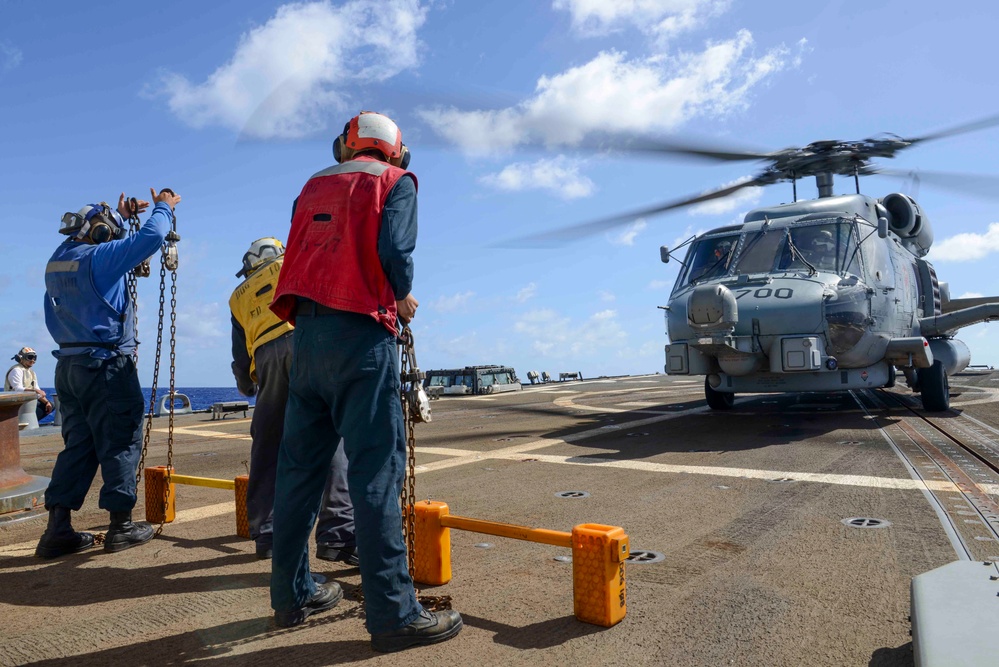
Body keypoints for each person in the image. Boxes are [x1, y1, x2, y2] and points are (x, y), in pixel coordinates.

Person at [268, 111, 462, 651]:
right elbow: (396, 250)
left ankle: (291, 594)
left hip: (304, 340)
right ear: (395, 149)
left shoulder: (310, 187)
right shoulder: (396, 182)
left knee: (298, 474)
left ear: (346, 145)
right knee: (375, 475)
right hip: (362, 338)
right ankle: (393, 613)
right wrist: (400, 296)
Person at [36, 189, 181, 559]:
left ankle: (57, 530)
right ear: (101, 234)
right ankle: (121, 526)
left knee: (79, 447)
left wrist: (117, 216)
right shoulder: (100, 259)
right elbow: (151, 237)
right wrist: (164, 205)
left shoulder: (58, 260)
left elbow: (102, 243)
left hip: (68, 368)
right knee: (120, 440)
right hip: (105, 367)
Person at [229, 237, 357, 563]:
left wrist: (246, 384)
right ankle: (337, 535)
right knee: (331, 440)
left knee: (267, 445)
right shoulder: (294, 260)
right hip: (306, 341)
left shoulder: (238, 296)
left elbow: (241, 354)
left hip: (266, 360)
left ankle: (267, 533)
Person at [5, 347, 52, 427]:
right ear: (21, 358)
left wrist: (47, 402)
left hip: (28, 403)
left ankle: (28, 424)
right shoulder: (16, 370)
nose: (33, 360)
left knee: (50, 406)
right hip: (15, 403)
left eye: (34, 358)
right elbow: (17, 389)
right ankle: (17, 424)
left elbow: (37, 390)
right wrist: (35, 391)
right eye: (30, 357)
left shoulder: (32, 373)